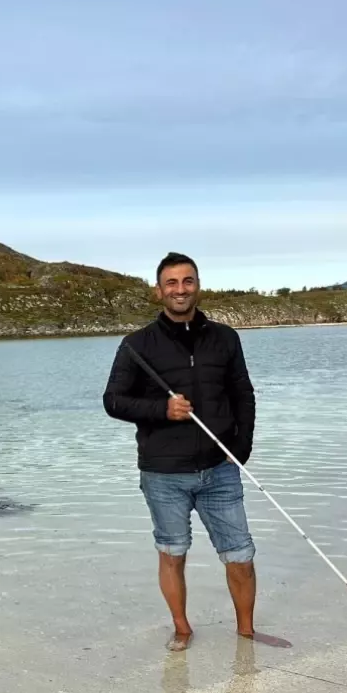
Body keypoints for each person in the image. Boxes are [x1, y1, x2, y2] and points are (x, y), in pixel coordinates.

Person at [102, 252, 258, 651]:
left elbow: (243, 394)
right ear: (158, 291)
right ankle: (182, 629)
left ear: (198, 286)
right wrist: (162, 410)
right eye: (171, 283)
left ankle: (246, 633)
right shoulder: (136, 345)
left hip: (219, 468)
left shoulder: (225, 338)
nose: (180, 290)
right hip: (163, 473)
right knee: (172, 553)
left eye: (187, 281)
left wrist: (241, 447)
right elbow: (114, 401)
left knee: (239, 554)